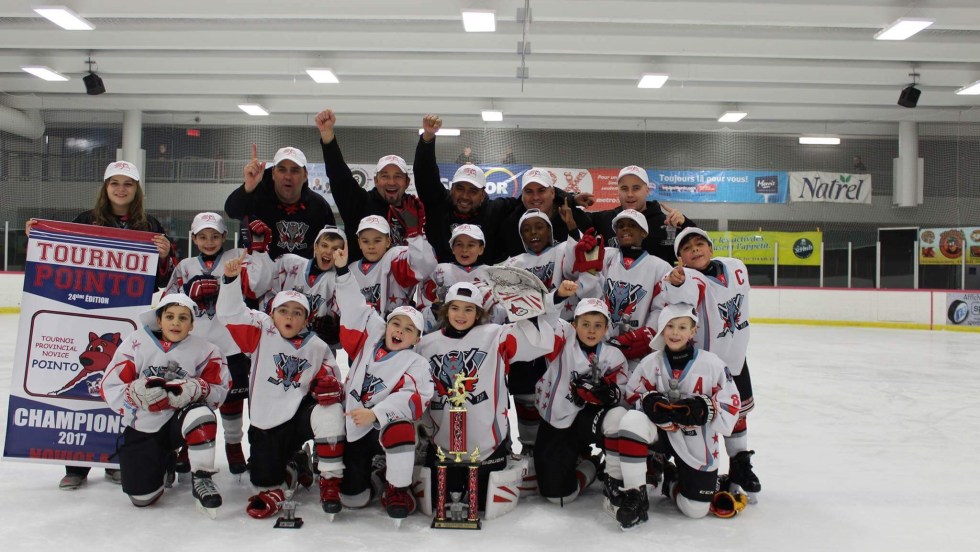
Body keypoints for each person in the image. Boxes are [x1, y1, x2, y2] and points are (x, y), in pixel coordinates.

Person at [27, 160, 178, 490]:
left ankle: (112, 457)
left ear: (136, 189)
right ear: (105, 187)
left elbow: (163, 281)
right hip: (87, 315)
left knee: (120, 388)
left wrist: (165, 256)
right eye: (115, 183)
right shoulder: (86, 220)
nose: (121, 189)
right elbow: (59, 255)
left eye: (127, 183)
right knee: (81, 390)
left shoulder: (149, 224)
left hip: (124, 320)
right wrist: (37, 236)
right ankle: (76, 465)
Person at [217, 257, 347, 519]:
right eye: (283, 311)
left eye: (297, 313)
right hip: (266, 425)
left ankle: (330, 483)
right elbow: (230, 313)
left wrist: (329, 386)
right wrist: (230, 282)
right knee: (264, 484)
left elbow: (332, 379)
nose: (289, 316)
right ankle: (296, 465)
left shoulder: (316, 345)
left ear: (306, 320)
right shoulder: (260, 331)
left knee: (330, 411)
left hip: (298, 418)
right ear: (272, 313)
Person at [415, 281, 556, 510]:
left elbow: (540, 342)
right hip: (441, 446)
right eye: (455, 308)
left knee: (480, 504)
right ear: (445, 309)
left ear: (479, 312)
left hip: (487, 448)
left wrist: (523, 306)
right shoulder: (425, 345)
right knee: (436, 502)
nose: (461, 315)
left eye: (469, 309)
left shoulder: (496, 335)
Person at [162, 212, 273, 477]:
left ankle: (234, 446)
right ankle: (190, 444)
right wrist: (188, 293)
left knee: (232, 402)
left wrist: (259, 251)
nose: (209, 241)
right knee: (193, 397)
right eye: (202, 236)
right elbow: (167, 300)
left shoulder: (236, 257)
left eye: (214, 235)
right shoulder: (186, 266)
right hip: (195, 348)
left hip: (231, 346)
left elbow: (258, 285)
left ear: (224, 236)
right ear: (193, 238)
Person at [99, 294, 231, 515]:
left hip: (179, 423)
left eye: (183, 318)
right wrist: (132, 393)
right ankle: (167, 461)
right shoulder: (136, 343)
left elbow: (220, 390)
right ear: (158, 320)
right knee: (142, 498)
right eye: (169, 316)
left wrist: (199, 388)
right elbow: (109, 386)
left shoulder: (206, 350)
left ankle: (202, 477)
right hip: (144, 424)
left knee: (200, 414)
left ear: (192, 324)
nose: (176, 322)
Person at [613, 303, 742, 528]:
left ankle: (671, 479)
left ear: (693, 332)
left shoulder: (712, 364)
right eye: (670, 326)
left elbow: (731, 405)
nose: (675, 333)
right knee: (631, 421)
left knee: (696, 509)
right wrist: (647, 401)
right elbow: (632, 396)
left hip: (696, 438)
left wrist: (707, 409)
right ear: (662, 330)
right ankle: (636, 495)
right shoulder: (650, 362)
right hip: (661, 434)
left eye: (682, 327)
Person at [331, 244, 435, 520]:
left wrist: (375, 413)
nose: (399, 331)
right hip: (355, 425)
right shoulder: (373, 333)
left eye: (408, 329)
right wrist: (342, 270)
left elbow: (413, 400)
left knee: (399, 426)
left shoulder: (417, 363)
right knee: (354, 499)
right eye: (396, 324)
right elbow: (355, 305)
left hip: (383, 427)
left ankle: (398, 488)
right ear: (387, 324)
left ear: (417, 338)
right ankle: (376, 474)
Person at [663, 227, 761, 500]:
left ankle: (739, 465)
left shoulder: (736, 266)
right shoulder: (689, 277)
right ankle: (700, 469)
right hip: (706, 368)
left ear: (711, 247)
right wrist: (675, 281)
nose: (695, 249)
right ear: (680, 259)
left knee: (738, 414)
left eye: (699, 243)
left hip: (736, 358)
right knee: (706, 417)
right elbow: (676, 292)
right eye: (687, 248)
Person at [534, 297, 629, 505]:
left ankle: (613, 476)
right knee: (558, 495)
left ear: (606, 329)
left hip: (589, 418)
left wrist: (609, 393)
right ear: (574, 324)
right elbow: (548, 321)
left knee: (618, 417)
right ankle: (591, 465)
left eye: (598, 325)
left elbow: (622, 392)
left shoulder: (614, 356)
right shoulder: (562, 342)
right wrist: (558, 295)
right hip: (558, 418)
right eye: (585, 324)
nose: (591, 331)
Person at [315, 109, 426, 259]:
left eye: (397, 176)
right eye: (385, 176)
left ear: (407, 182)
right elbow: (339, 177)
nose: (391, 182)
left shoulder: (416, 209)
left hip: (405, 281)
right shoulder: (360, 204)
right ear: (375, 180)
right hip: (362, 280)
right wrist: (327, 135)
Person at [412, 115, 523, 265]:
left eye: (472, 191)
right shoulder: (439, 205)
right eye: (460, 188)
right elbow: (425, 175)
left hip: (486, 284)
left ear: (483, 195)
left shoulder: (496, 211)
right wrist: (428, 138)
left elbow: (533, 200)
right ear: (451, 189)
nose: (465, 196)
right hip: (441, 282)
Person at [224, 144, 336, 260]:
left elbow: (333, 242)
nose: (288, 176)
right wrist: (248, 187)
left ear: (305, 175)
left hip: (302, 276)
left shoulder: (319, 206)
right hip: (260, 275)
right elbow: (232, 211)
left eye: (295, 170)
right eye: (282, 170)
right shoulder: (256, 196)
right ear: (273, 173)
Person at [596, 209, 677, 367]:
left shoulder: (660, 267)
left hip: (639, 353)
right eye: (621, 226)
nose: (625, 229)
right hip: (602, 345)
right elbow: (594, 295)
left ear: (643, 232)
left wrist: (648, 334)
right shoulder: (605, 256)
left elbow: (661, 308)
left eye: (632, 225)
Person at [258, 226, 347, 352]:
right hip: (278, 341)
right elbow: (265, 293)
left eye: (335, 249)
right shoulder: (288, 263)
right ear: (316, 246)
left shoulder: (341, 281)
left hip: (315, 349)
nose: (328, 252)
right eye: (324, 245)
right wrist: (277, 310)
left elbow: (344, 321)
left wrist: (335, 331)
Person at [590, 165, 696, 263]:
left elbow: (698, 249)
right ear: (618, 191)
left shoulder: (667, 224)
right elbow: (574, 223)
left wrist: (685, 223)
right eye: (624, 188)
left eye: (636, 188)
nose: (630, 194)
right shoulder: (604, 219)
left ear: (647, 190)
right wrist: (573, 199)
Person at [348, 214, 436, 318]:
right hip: (363, 329)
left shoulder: (394, 258)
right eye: (365, 241)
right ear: (359, 243)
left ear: (388, 241)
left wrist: (415, 232)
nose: (371, 246)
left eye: (377, 240)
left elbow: (420, 262)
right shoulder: (351, 269)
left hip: (395, 326)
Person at [499, 168, 594, 260]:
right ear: (522, 196)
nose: (535, 197)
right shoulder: (512, 225)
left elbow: (591, 257)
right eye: (529, 191)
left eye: (541, 190)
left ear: (552, 193)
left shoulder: (575, 218)